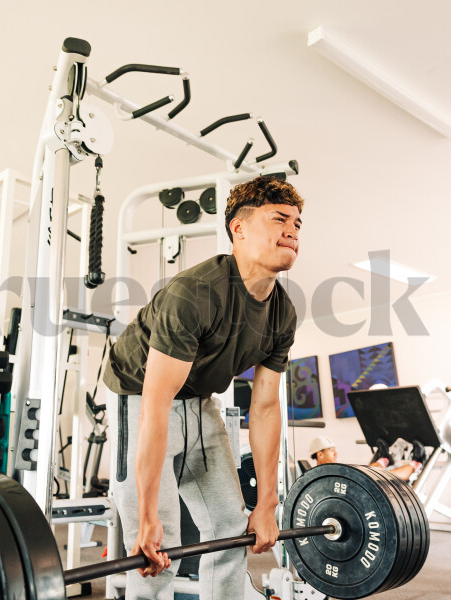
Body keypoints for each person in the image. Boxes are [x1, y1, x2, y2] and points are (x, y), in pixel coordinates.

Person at [105, 175, 303, 600]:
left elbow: (265, 408)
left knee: (230, 530)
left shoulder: (283, 314)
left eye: (297, 223)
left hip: (199, 401)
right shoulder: (194, 293)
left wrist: (267, 504)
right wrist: (147, 516)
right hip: (139, 396)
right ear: (239, 228)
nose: (292, 230)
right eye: (279, 219)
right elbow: (156, 403)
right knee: (157, 544)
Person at [308, 435, 425, 481]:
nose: (336, 454)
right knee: (387, 476)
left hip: (354, 484)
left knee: (363, 470)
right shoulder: (318, 476)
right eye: (331, 451)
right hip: (357, 493)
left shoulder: (329, 470)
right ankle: (417, 463)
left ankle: (384, 460)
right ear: (320, 454)